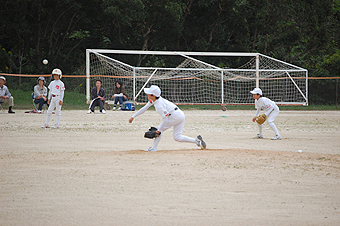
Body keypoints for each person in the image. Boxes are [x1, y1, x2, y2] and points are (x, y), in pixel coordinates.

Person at [128, 85, 206, 152]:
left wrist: (158, 131)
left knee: (160, 129)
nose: (147, 94)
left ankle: (154, 148)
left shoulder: (159, 105)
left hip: (175, 116)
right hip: (179, 114)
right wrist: (133, 116)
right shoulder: (154, 100)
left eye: (149, 93)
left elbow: (165, 120)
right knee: (177, 137)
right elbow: (145, 108)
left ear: (153, 95)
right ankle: (197, 141)